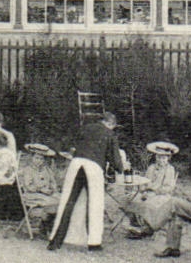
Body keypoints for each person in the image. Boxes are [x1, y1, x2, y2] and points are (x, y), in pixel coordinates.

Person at [48, 107, 130, 252]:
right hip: (94, 167)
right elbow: (115, 158)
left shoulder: (86, 128)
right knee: (95, 203)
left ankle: (55, 241)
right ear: (111, 124)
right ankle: (94, 243)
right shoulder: (109, 134)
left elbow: (71, 146)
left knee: (68, 201)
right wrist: (122, 168)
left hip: (76, 163)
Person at [124, 140, 180, 240]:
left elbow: (168, 188)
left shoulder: (170, 169)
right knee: (130, 199)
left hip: (162, 195)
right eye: (158, 157)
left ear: (168, 158)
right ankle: (136, 225)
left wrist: (154, 192)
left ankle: (148, 228)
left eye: (163, 158)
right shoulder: (151, 167)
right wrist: (144, 191)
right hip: (147, 193)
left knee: (148, 204)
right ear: (155, 157)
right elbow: (144, 182)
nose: (160, 160)